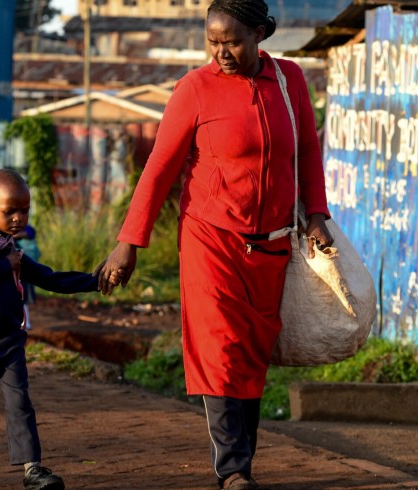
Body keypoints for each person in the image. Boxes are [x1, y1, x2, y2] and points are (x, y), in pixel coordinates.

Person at [95, 0, 333, 488]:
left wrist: (317, 216)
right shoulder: (195, 90)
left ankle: (241, 458)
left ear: (260, 34)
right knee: (221, 349)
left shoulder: (289, 83)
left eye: (233, 42)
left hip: (270, 245)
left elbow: (306, 149)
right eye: (213, 42)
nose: (221, 52)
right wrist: (129, 243)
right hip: (211, 240)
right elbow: (159, 168)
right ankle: (233, 470)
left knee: (250, 353)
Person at [0, 168, 99, 490]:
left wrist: (97, 281)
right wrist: (5, 265)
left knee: (20, 405)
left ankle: (33, 469)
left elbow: (51, 278)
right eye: (9, 211)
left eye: (24, 210)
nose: (18, 217)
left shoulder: (14, 251)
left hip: (8, 343)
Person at [15, 224, 40, 329]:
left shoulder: (28, 229)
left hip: (26, 269)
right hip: (17, 269)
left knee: (23, 296)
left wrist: (14, 235)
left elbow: (28, 234)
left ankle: (26, 323)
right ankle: (24, 322)